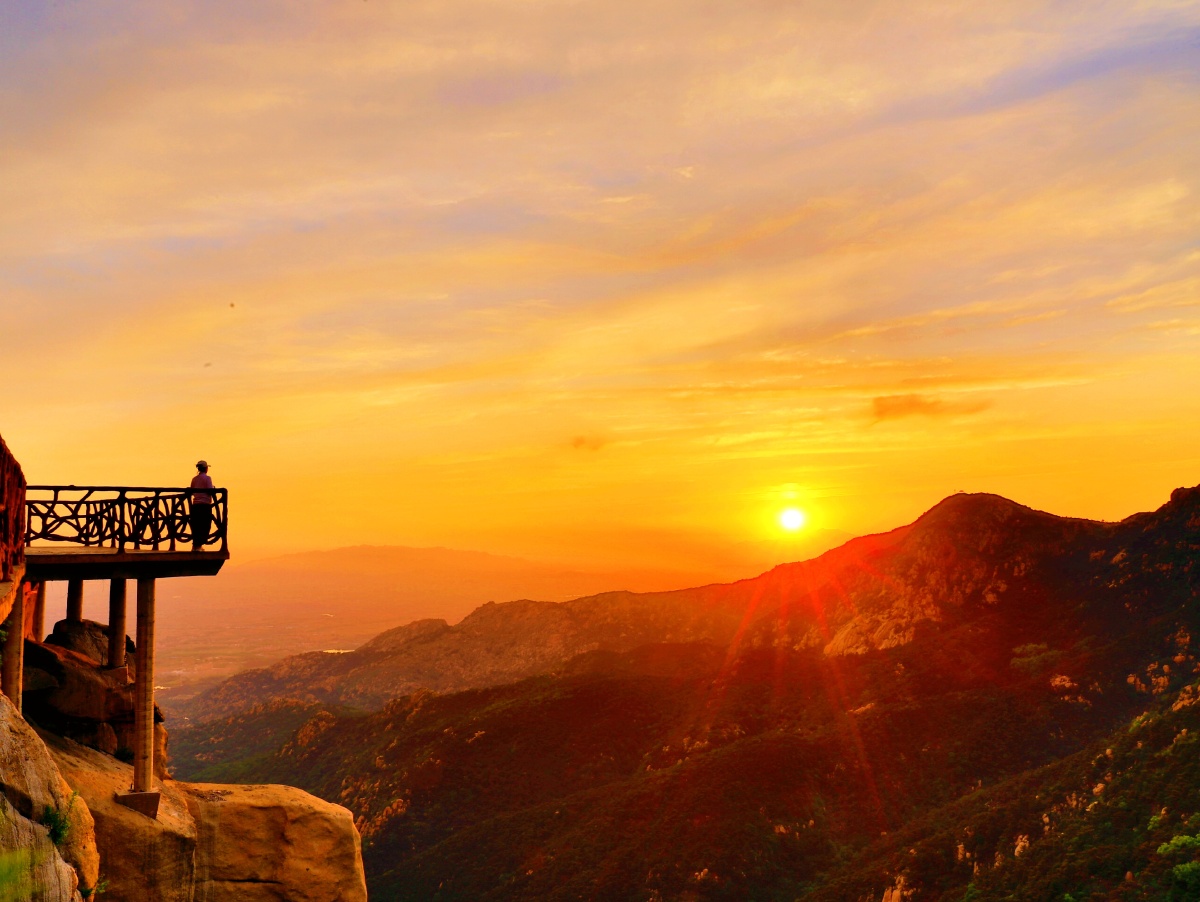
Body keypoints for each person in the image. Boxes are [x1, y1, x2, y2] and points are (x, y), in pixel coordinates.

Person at [189, 460, 215, 551]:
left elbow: (191, 491)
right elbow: (210, 490)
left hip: (195, 505)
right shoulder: (207, 478)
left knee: (196, 526)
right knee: (205, 525)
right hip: (205, 505)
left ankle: (195, 546)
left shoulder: (194, 479)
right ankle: (199, 545)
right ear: (205, 468)